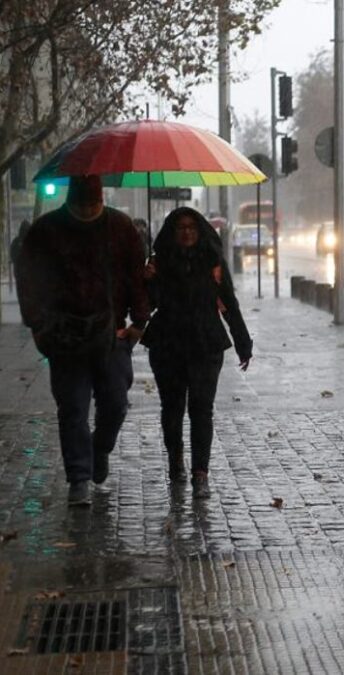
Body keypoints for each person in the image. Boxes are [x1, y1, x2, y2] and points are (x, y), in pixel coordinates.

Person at [15, 176, 149, 507]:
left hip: (112, 332)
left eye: (94, 204)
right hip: (65, 335)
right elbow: (29, 279)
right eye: (82, 205)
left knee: (115, 402)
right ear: (71, 202)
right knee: (73, 407)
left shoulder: (120, 227)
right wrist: (38, 324)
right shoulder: (46, 231)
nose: (88, 211)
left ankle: (99, 448)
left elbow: (135, 274)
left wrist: (139, 322)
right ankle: (78, 477)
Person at [142, 207, 252, 499]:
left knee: (202, 408)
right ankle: (175, 459)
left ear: (200, 230)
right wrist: (148, 279)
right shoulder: (159, 262)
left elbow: (229, 301)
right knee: (173, 407)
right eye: (180, 227)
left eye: (192, 226)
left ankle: (200, 472)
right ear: (172, 232)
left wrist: (243, 342)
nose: (187, 232)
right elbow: (147, 305)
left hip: (206, 343)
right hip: (168, 343)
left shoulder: (213, 262)